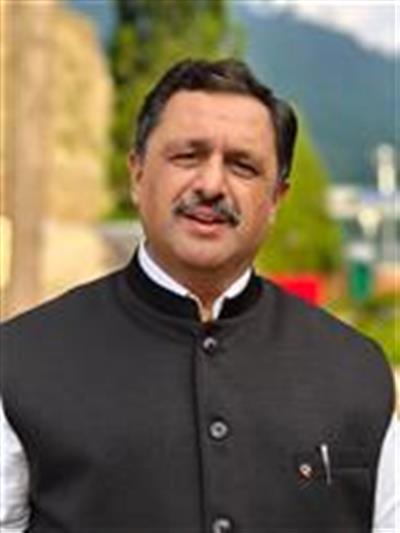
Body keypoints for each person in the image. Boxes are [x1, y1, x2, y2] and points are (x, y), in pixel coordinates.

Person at [0, 58, 398, 533]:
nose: (211, 185)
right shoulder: (20, 363)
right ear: (137, 174)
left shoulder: (357, 372)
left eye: (242, 166)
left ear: (276, 198)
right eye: (188, 156)